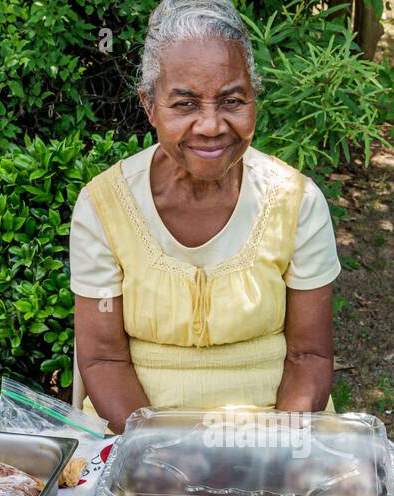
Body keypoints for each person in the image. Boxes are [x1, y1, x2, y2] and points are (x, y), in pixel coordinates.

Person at [68, 0, 340, 432]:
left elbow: (309, 356)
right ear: (149, 104)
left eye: (232, 100)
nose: (211, 125)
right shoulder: (104, 206)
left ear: (254, 97)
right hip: (137, 432)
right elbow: (104, 358)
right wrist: (168, 458)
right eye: (185, 105)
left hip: (276, 431)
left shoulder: (297, 202)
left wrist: (276, 454)